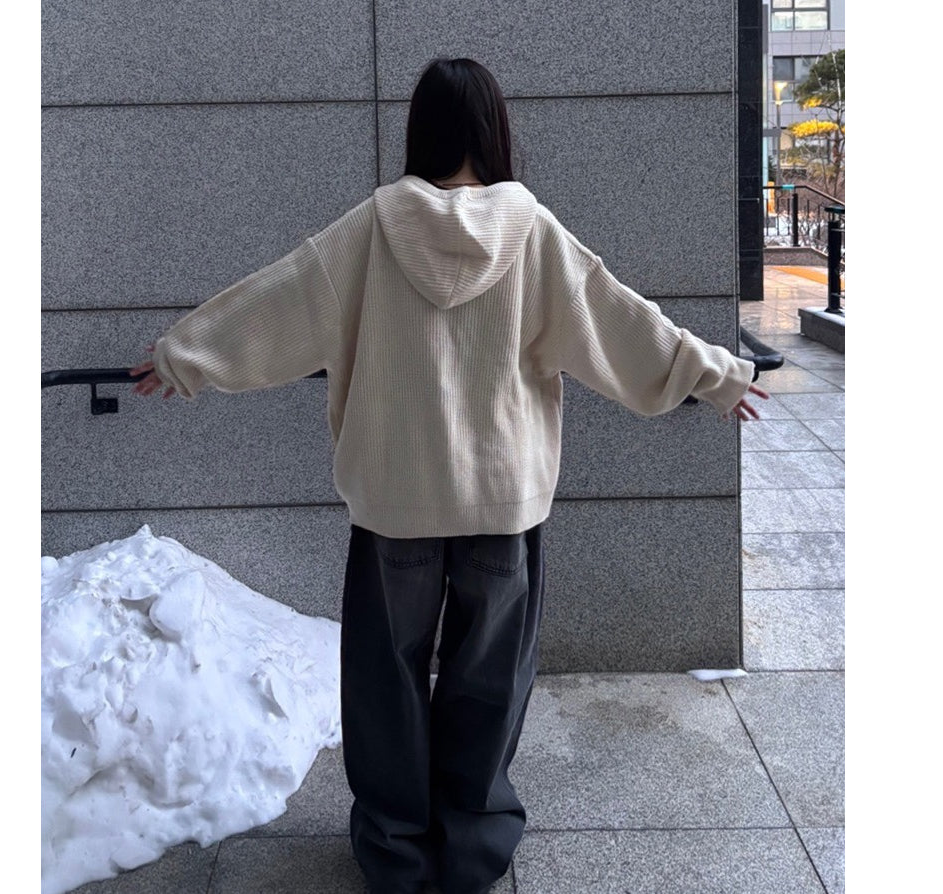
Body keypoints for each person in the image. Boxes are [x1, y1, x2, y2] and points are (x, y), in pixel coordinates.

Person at [131, 57, 767, 894]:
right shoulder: (530, 231)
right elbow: (618, 320)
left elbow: (278, 302)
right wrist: (715, 375)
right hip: (502, 504)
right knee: (489, 679)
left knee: (386, 678)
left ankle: (395, 849)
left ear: (420, 130)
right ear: (495, 132)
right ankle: (471, 845)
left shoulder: (372, 229)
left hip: (396, 503)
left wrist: (182, 356)